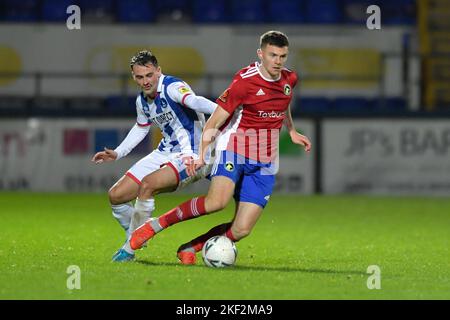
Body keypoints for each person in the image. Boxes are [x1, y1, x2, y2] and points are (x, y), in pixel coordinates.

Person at [130, 31, 312, 265]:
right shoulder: (244, 82)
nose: (278, 61)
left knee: (241, 230)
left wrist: (292, 130)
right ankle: (156, 224)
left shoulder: (289, 79)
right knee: (217, 202)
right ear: (261, 54)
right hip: (234, 149)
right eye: (273, 55)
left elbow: (283, 103)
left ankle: (191, 247)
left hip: (265, 159)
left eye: (282, 56)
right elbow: (214, 121)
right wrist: (202, 154)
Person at [91, 50, 216, 261]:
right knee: (116, 195)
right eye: (139, 77)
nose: (145, 81)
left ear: (158, 71)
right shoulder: (142, 101)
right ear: (133, 77)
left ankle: (130, 246)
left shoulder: (173, 86)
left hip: (192, 153)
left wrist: (225, 110)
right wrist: (118, 152)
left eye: (149, 75)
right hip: (164, 151)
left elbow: (194, 102)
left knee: (147, 185)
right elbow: (141, 128)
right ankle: (140, 231)